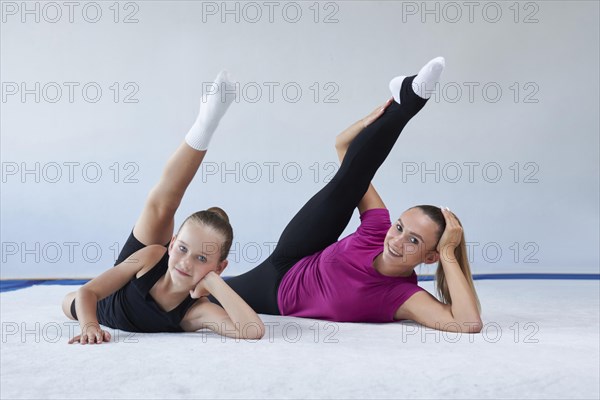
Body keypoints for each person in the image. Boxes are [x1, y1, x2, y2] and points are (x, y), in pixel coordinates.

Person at [210, 57, 483, 333]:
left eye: (413, 240)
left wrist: (449, 250)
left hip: (273, 291)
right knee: (350, 181)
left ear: (431, 258)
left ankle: (407, 102)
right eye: (399, 227)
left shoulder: (402, 296)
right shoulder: (378, 231)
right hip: (297, 255)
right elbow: (343, 148)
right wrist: (369, 120)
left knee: (203, 294)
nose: (396, 240)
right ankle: (406, 102)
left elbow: (468, 323)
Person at [61, 72, 265, 344]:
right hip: (107, 302)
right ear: (172, 244)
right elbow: (88, 292)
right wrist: (89, 325)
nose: (186, 262)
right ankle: (205, 124)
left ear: (219, 267)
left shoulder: (196, 312)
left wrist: (214, 282)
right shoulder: (153, 255)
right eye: (183, 249)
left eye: (202, 259)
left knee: (66, 304)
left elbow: (253, 330)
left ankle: (206, 125)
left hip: (135, 293)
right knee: (161, 205)